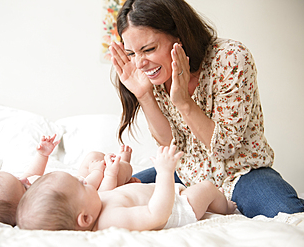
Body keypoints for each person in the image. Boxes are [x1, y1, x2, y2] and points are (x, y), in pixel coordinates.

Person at [109, 0, 304, 218]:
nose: (139, 63)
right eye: (132, 53)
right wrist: (144, 95)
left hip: (241, 174)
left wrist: (184, 102)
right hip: (186, 172)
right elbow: (169, 144)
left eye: (149, 49)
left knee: (291, 216)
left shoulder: (230, 58)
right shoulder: (152, 76)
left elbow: (225, 149)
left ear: (179, 35)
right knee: (113, 198)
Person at [16, 145, 237, 231]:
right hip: (175, 209)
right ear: (83, 219)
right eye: (82, 185)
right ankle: (226, 208)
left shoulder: (93, 206)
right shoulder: (111, 219)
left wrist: (119, 163)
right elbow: (156, 215)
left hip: (164, 197)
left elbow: (110, 187)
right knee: (207, 188)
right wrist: (164, 173)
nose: (86, 181)